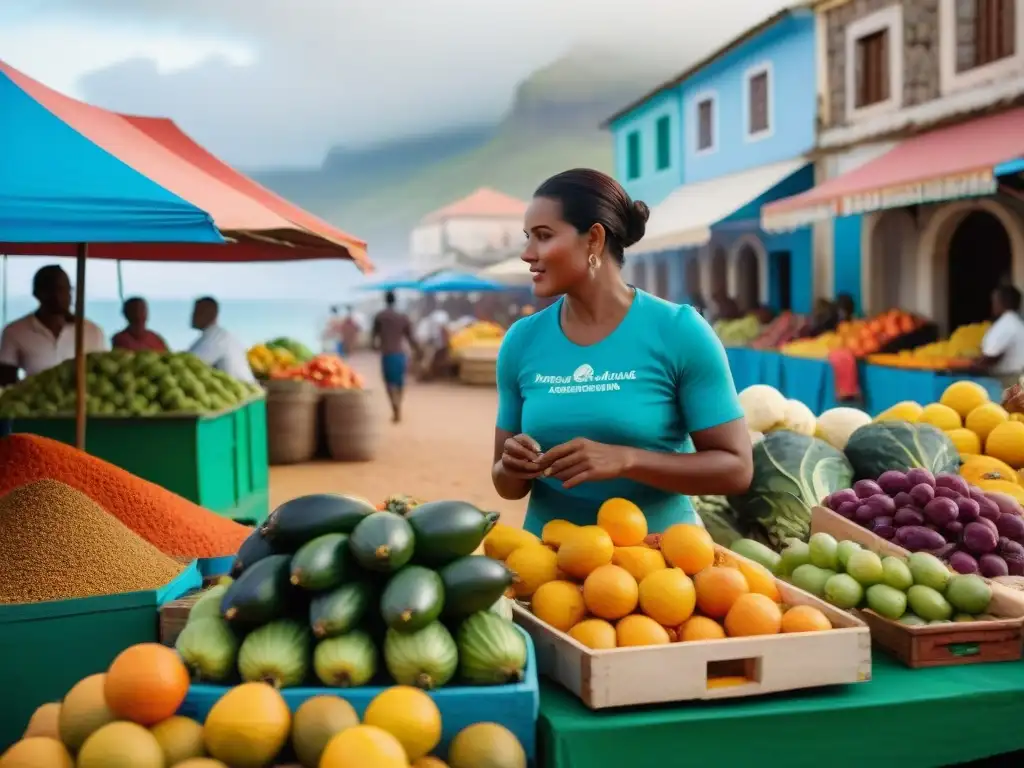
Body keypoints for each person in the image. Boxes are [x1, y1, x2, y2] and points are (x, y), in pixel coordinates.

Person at [492, 168, 753, 536]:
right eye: (527, 238)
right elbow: (506, 485)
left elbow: (736, 469)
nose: (526, 253)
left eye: (543, 236)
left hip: (659, 569)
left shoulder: (679, 331)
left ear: (594, 239)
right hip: (548, 570)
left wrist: (627, 460)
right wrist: (512, 466)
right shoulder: (521, 340)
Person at [0, 265, 108, 385]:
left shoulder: (92, 331)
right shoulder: (14, 332)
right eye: (52, 289)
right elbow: (6, 381)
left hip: (84, 402)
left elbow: (103, 375)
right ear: (37, 293)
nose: (60, 296)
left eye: (66, 289)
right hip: (37, 402)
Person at [372, 291, 421, 422]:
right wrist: (418, 350)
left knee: (389, 383)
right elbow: (411, 337)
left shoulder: (380, 316)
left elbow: (373, 338)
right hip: (400, 354)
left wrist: (375, 347)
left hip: (387, 354)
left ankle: (395, 407)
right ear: (395, 300)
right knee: (400, 382)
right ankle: (398, 403)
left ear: (385, 300)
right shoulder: (402, 317)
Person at [188, 297, 257, 383]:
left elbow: (188, 365)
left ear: (208, 313)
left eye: (196, 312)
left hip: (242, 393)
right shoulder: (217, 335)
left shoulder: (215, 337)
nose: (192, 316)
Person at [980, 285, 1024, 388]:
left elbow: (991, 356)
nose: (993, 305)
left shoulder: (1006, 324)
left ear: (1002, 302)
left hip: (1008, 380)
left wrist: (969, 365)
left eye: (994, 301)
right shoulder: (1016, 322)